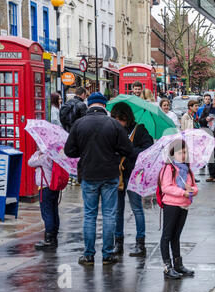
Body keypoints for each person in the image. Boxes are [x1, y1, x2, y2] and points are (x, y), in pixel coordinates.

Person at [64, 92, 134, 266]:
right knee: (109, 215)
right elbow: (128, 149)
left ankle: (88, 255)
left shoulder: (79, 124)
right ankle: (107, 254)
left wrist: (84, 152)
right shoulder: (113, 124)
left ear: (90, 105)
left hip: (88, 174)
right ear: (105, 105)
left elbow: (69, 151)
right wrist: (115, 153)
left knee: (89, 215)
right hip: (110, 175)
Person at [110, 103, 153, 257]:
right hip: (118, 174)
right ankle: (118, 242)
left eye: (119, 119)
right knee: (117, 211)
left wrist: (129, 152)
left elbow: (148, 149)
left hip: (134, 174)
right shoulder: (113, 130)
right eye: (114, 119)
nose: (117, 122)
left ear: (126, 118)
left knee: (137, 209)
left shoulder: (139, 130)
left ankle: (140, 243)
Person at [158, 139, 198, 279]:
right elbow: (166, 187)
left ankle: (178, 264)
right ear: (173, 154)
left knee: (176, 236)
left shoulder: (187, 170)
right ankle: (167, 267)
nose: (183, 155)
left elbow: (195, 188)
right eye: (180, 152)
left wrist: (191, 189)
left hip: (184, 205)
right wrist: (183, 192)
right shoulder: (169, 168)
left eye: (185, 152)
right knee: (167, 235)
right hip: (171, 205)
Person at [28, 150, 60, 250]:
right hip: (54, 186)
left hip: (45, 187)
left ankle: (48, 240)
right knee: (54, 211)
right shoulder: (55, 154)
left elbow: (30, 162)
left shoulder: (43, 157)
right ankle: (54, 237)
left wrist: (38, 153)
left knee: (47, 213)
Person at [199, 93, 215, 182]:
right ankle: (212, 174)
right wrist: (205, 119)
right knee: (210, 155)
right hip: (208, 134)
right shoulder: (206, 109)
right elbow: (200, 121)